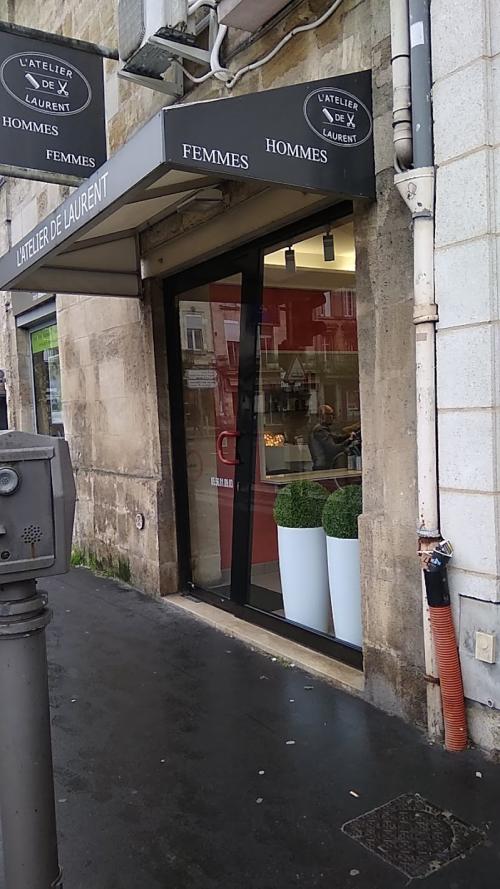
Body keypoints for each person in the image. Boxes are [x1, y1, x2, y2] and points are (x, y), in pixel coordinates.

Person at [308, 404, 353, 471]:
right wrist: (349, 440)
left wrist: (348, 435)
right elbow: (333, 449)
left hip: (324, 467)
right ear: (322, 416)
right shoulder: (320, 430)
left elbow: (336, 438)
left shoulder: (322, 429)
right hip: (323, 469)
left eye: (332, 414)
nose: (332, 417)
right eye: (329, 414)